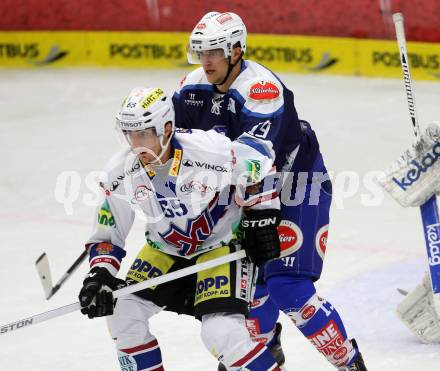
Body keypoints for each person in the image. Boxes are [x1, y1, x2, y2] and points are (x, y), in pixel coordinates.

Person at [173, 11, 368, 371]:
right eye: (201, 52)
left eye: (214, 51)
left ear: (236, 51)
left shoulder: (261, 89)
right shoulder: (190, 89)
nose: (206, 60)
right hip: (244, 192)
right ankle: (265, 349)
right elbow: (173, 148)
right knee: (248, 288)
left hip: (298, 185)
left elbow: (254, 161)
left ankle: (350, 363)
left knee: (288, 287)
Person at [78, 86, 284, 370]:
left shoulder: (207, 150)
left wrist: (262, 216)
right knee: (122, 312)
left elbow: (260, 160)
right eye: (130, 134)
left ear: (166, 128)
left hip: (221, 248)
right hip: (165, 249)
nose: (136, 144)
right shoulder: (120, 172)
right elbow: (108, 233)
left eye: (144, 134)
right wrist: (99, 275)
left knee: (221, 332)